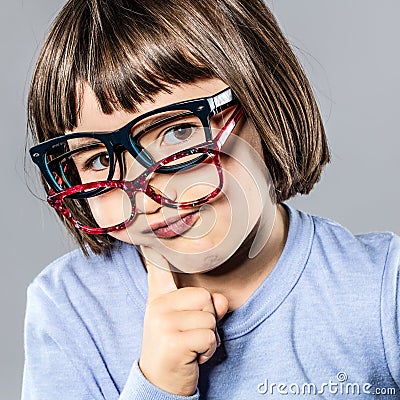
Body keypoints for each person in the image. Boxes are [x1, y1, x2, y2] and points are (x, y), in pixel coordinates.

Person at [22, 0, 399, 399]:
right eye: (98, 158)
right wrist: (157, 385)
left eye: (179, 132)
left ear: (264, 105)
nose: (146, 191)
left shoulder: (382, 290)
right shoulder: (69, 308)